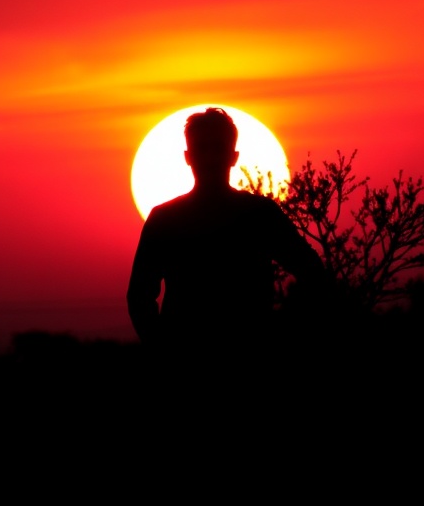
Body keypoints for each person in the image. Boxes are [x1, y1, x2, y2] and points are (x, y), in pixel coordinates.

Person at [127, 107, 329, 363]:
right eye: (202, 148)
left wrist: (283, 336)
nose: (210, 157)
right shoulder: (164, 220)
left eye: (218, 148)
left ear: (233, 156)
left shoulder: (260, 214)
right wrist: (164, 348)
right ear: (188, 156)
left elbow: (311, 271)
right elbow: (139, 296)